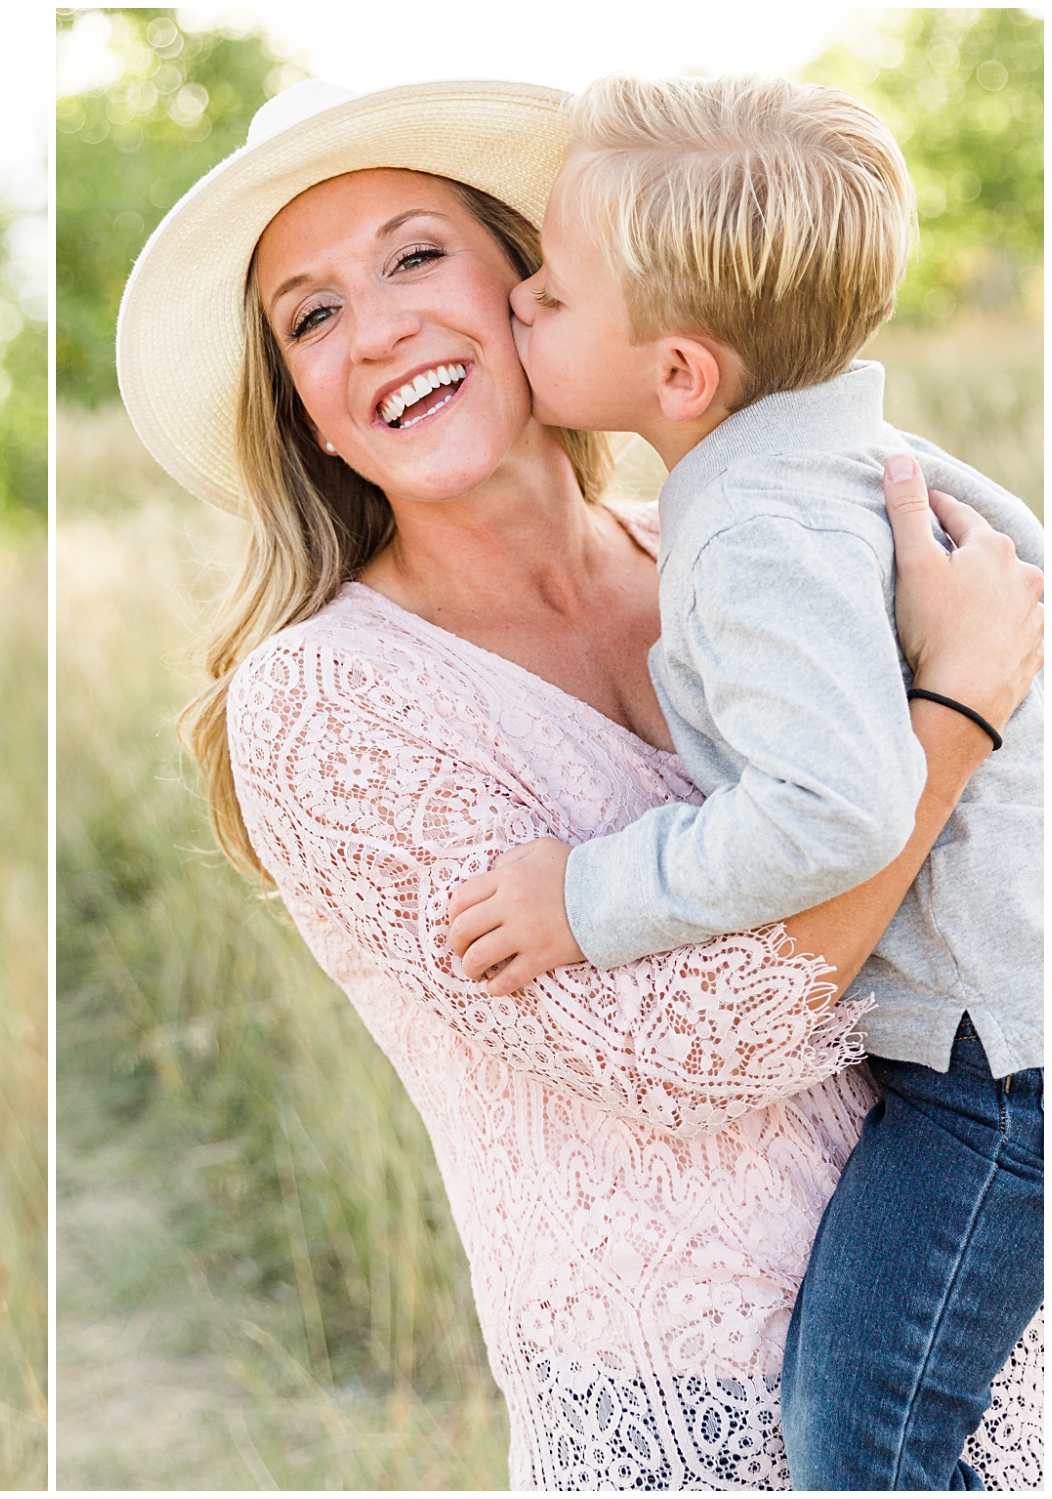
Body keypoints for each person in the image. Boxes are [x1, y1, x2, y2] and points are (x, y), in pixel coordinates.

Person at [116, 79, 1043, 1489]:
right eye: (310, 315)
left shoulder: (733, 538)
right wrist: (956, 712)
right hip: (682, 1417)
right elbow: (671, 1054)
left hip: (983, 1319)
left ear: (531, 284)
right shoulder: (321, 698)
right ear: (303, 411)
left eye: (416, 255)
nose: (378, 328)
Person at [438, 74, 1042, 1489]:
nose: (519, 299)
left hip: (998, 1078)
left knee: (863, 1439)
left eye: (555, 293)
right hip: (996, 1041)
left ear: (681, 375)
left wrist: (587, 895)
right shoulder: (829, 461)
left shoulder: (756, 526)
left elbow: (836, 806)